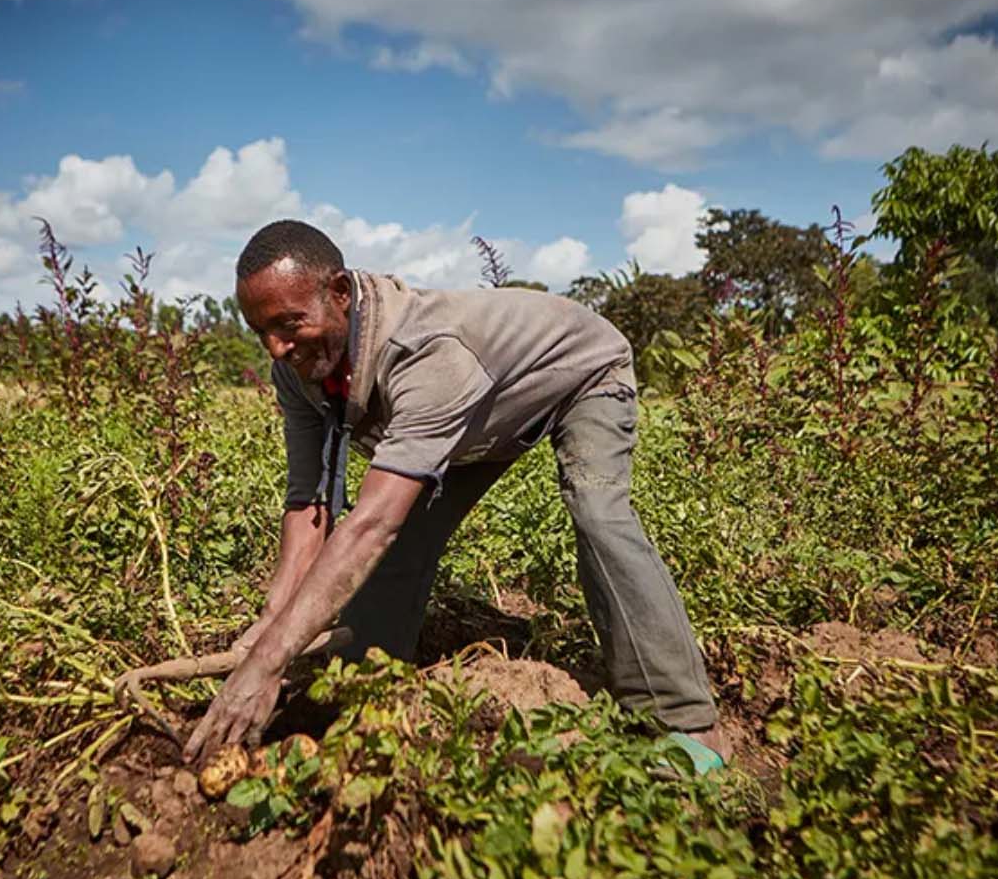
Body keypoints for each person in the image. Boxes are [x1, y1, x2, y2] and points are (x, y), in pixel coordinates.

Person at [183, 219, 727, 771]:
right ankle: (358, 698)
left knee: (597, 510)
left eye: (289, 323)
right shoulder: (299, 370)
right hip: (483, 412)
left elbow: (371, 523)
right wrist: (269, 631)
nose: (276, 348)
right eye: (261, 331)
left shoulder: (428, 355)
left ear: (340, 293)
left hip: (580, 374)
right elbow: (310, 501)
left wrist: (270, 663)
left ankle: (685, 722)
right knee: (400, 551)